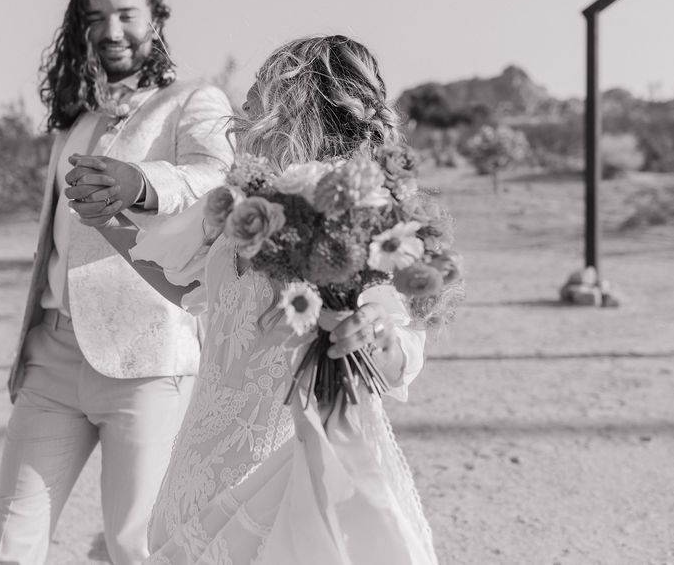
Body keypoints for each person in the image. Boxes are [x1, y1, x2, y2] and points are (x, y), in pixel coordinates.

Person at [80, 35, 443, 564]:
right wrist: (109, 220)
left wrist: (369, 334)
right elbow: (192, 289)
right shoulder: (246, 205)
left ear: (297, 107)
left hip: (273, 481)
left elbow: (397, 350)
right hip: (197, 468)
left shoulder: (358, 213)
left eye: (259, 93)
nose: (243, 111)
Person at [0, 0, 235, 565]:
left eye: (126, 14)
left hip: (148, 361)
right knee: (9, 542)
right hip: (52, 357)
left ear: (157, 20)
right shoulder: (79, 117)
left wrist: (139, 183)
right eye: (95, 18)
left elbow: (217, 174)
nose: (111, 30)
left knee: (134, 546)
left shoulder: (194, 100)